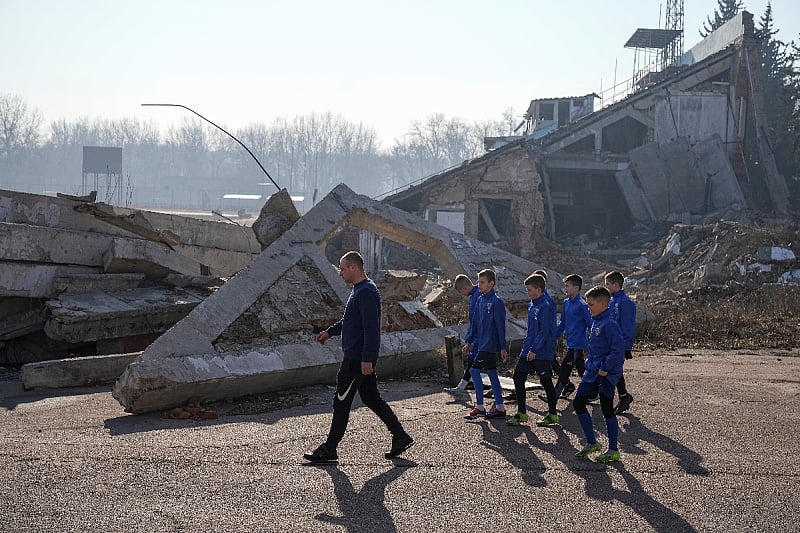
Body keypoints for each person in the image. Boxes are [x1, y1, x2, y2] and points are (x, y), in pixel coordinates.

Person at [303, 251, 414, 464]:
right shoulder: (360, 290)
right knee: (371, 398)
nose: (341, 273)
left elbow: (372, 329)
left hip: (357, 359)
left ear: (354, 267)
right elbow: (349, 320)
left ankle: (329, 449)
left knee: (341, 402)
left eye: (343, 268)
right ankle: (400, 436)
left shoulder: (366, 292)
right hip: (359, 357)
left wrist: (367, 359)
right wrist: (329, 332)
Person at [573, 285, 626, 463]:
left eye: (591, 305)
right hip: (592, 371)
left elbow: (618, 350)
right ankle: (591, 442)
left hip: (605, 373)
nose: (588, 308)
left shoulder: (610, 324)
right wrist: (590, 364)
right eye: (587, 305)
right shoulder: (596, 320)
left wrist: (606, 367)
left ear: (603, 304)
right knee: (579, 403)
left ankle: (613, 450)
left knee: (607, 409)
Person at [507, 274, 559, 427]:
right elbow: (531, 330)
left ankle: (552, 414)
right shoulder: (533, 304)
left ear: (538, 289)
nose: (528, 292)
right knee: (518, 378)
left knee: (546, 381)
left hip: (541, 352)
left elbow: (544, 331)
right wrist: (526, 348)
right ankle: (522, 413)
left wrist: (535, 349)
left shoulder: (546, 306)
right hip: (528, 349)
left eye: (530, 290)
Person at [463, 269, 509, 420]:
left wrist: (503, 347)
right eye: (478, 282)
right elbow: (474, 324)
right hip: (481, 343)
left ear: (491, 283)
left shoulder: (497, 302)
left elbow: (500, 326)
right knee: (492, 373)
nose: (479, 285)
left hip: (490, 345)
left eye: (482, 282)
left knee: (474, 371)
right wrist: (469, 341)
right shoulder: (479, 300)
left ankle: (480, 407)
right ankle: (500, 407)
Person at [552, 274, 592, 398]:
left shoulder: (582, 305)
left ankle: (553, 396)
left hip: (578, 343)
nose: (566, 288)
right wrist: (554, 336)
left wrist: (596, 342)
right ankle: (593, 391)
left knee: (564, 370)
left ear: (576, 288)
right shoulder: (566, 303)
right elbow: (563, 322)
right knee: (582, 370)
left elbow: (590, 323)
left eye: (568, 286)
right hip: (570, 342)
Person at [605, 271, 636, 415]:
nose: (606, 287)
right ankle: (623, 396)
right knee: (611, 370)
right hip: (609, 342)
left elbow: (627, 326)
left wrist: (626, 346)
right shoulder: (611, 301)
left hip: (618, 344)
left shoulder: (626, 302)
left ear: (616, 285)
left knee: (613, 370)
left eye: (608, 284)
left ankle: (623, 396)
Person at [444, 274, 480, 396]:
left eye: (461, 292)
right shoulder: (477, 295)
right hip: (480, 335)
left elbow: (475, 321)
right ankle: (461, 387)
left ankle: (461, 388)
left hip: (479, 336)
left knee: (474, 362)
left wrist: (470, 340)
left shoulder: (476, 297)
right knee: (477, 363)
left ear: (464, 288)